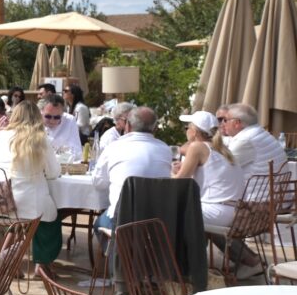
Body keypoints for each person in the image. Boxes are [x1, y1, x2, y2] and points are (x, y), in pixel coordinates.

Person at [175, 110, 263, 279]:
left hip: (218, 211)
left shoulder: (197, 147)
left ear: (194, 131)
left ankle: (185, 268)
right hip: (230, 211)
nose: (186, 130)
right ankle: (250, 261)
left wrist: (170, 174)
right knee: (191, 214)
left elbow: (180, 181)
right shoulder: (222, 150)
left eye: (187, 127)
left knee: (171, 213)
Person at [0, 102, 63, 273]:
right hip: (28, 204)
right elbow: (53, 172)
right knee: (50, 217)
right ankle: (42, 262)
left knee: (27, 216)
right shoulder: (40, 139)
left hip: (0, 200)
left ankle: (7, 260)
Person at [91, 106, 172, 234]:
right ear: (155, 128)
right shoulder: (165, 150)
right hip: (158, 222)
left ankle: (120, 252)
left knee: (99, 224)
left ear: (127, 126)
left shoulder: (114, 147)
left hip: (122, 221)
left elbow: (98, 183)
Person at [221, 103, 287, 182]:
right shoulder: (258, 132)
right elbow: (227, 140)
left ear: (237, 123)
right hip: (275, 192)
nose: (223, 124)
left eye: (225, 120)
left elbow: (221, 169)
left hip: (255, 193)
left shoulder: (245, 140)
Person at [41, 95, 83, 161]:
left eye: (57, 117)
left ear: (62, 114)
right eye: (48, 116)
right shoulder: (34, 119)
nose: (52, 121)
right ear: (42, 111)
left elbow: (77, 152)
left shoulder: (70, 120)